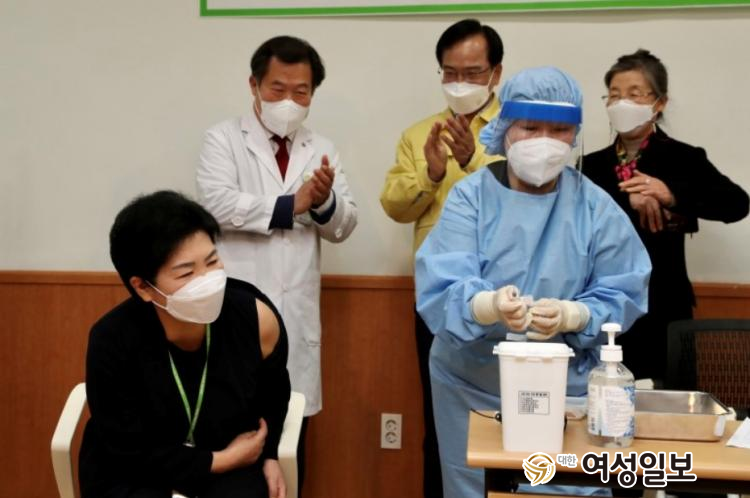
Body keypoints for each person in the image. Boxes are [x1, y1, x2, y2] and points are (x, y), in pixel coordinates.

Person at [415, 67, 652, 498]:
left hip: (566, 390)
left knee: (568, 486)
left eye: (559, 130)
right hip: (472, 386)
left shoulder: (594, 207)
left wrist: (575, 315)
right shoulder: (471, 198)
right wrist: (486, 306)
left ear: (575, 134)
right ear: (505, 128)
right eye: (530, 128)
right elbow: (443, 286)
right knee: (480, 486)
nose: (544, 141)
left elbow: (624, 289)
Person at [197, 36, 358, 488]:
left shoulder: (321, 147)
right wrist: (291, 205)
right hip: (237, 314)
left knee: (289, 449)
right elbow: (216, 204)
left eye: (301, 91)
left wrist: (322, 203)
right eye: (277, 88)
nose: (289, 101)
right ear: (254, 85)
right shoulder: (223, 139)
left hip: (297, 316)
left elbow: (344, 225)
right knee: (233, 440)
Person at [79, 191, 291, 498]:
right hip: (135, 470)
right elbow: (126, 448)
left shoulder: (256, 319)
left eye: (212, 261)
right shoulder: (111, 340)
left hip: (234, 462)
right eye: (186, 273)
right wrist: (218, 461)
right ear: (143, 287)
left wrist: (270, 454)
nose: (207, 280)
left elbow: (274, 392)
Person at [379, 19, 503, 498]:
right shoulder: (418, 135)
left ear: (496, 73)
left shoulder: (519, 131)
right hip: (440, 302)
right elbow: (395, 206)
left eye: (472, 73)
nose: (461, 83)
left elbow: (529, 199)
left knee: (510, 421)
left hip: (506, 299)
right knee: (441, 423)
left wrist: (474, 160)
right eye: (451, 73)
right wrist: (429, 175)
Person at [583, 49, 749, 384]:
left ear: (659, 103)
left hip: (664, 304)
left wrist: (670, 194)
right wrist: (627, 200)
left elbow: (736, 204)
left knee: (668, 398)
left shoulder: (684, 158)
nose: (622, 103)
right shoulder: (591, 165)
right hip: (605, 304)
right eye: (614, 95)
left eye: (634, 94)